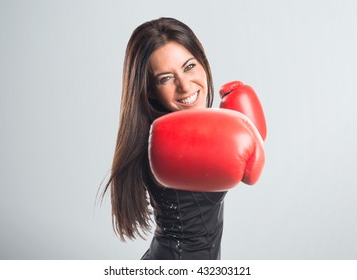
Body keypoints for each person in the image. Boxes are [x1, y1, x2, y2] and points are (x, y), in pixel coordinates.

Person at [102, 17, 265, 260]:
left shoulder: (192, 130)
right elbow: (250, 174)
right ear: (149, 90)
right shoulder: (164, 142)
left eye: (189, 67)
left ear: (203, 63)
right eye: (165, 78)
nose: (185, 86)